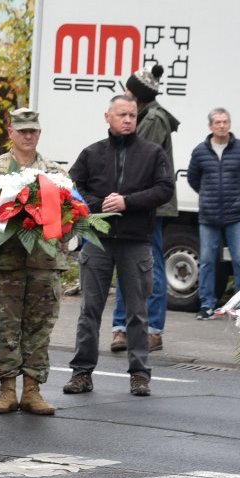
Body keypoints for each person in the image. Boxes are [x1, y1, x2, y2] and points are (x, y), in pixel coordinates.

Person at [65, 94, 175, 398]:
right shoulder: (91, 153)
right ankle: (81, 373)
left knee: (138, 312)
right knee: (90, 310)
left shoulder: (152, 153)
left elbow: (165, 189)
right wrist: (99, 205)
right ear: (107, 117)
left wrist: (128, 202)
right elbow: (72, 189)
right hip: (97, 240)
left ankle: (140, 374)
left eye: (132, 115)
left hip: (136, 242)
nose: (128, 120)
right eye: (122, 115)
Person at [0, 108, 71, 417]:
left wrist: (51, 233)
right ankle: (6, 389)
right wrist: (2, 226)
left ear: (39, 133)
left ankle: (32, 389)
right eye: (22, 130)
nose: (28, 135)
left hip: (43, 265)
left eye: (33, 131)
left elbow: (70, 217)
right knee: (6, 327)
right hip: (5, 264)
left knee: (40, 329)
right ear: (10, 132)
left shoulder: (54, 173)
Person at [113, 65, 179, 353]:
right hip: (130, 201)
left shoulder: (152, 119)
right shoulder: (141, 114)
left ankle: (152, 330)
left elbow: (139, 161)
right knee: (124, 261)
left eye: (129, 91)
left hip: (148, 204)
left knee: (148, 265)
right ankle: (121, 328)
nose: (125, 95)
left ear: (138, 96)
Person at [188, 108, 240, 320]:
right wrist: (207, 196)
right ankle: (207, 305)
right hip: (209, 217)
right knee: (207, 261)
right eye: (217, 122)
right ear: (210, 126)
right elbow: (194, 179)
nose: (222, 125)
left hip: (236, 216)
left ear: (230, 124)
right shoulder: (200, 151)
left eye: (225, 121)